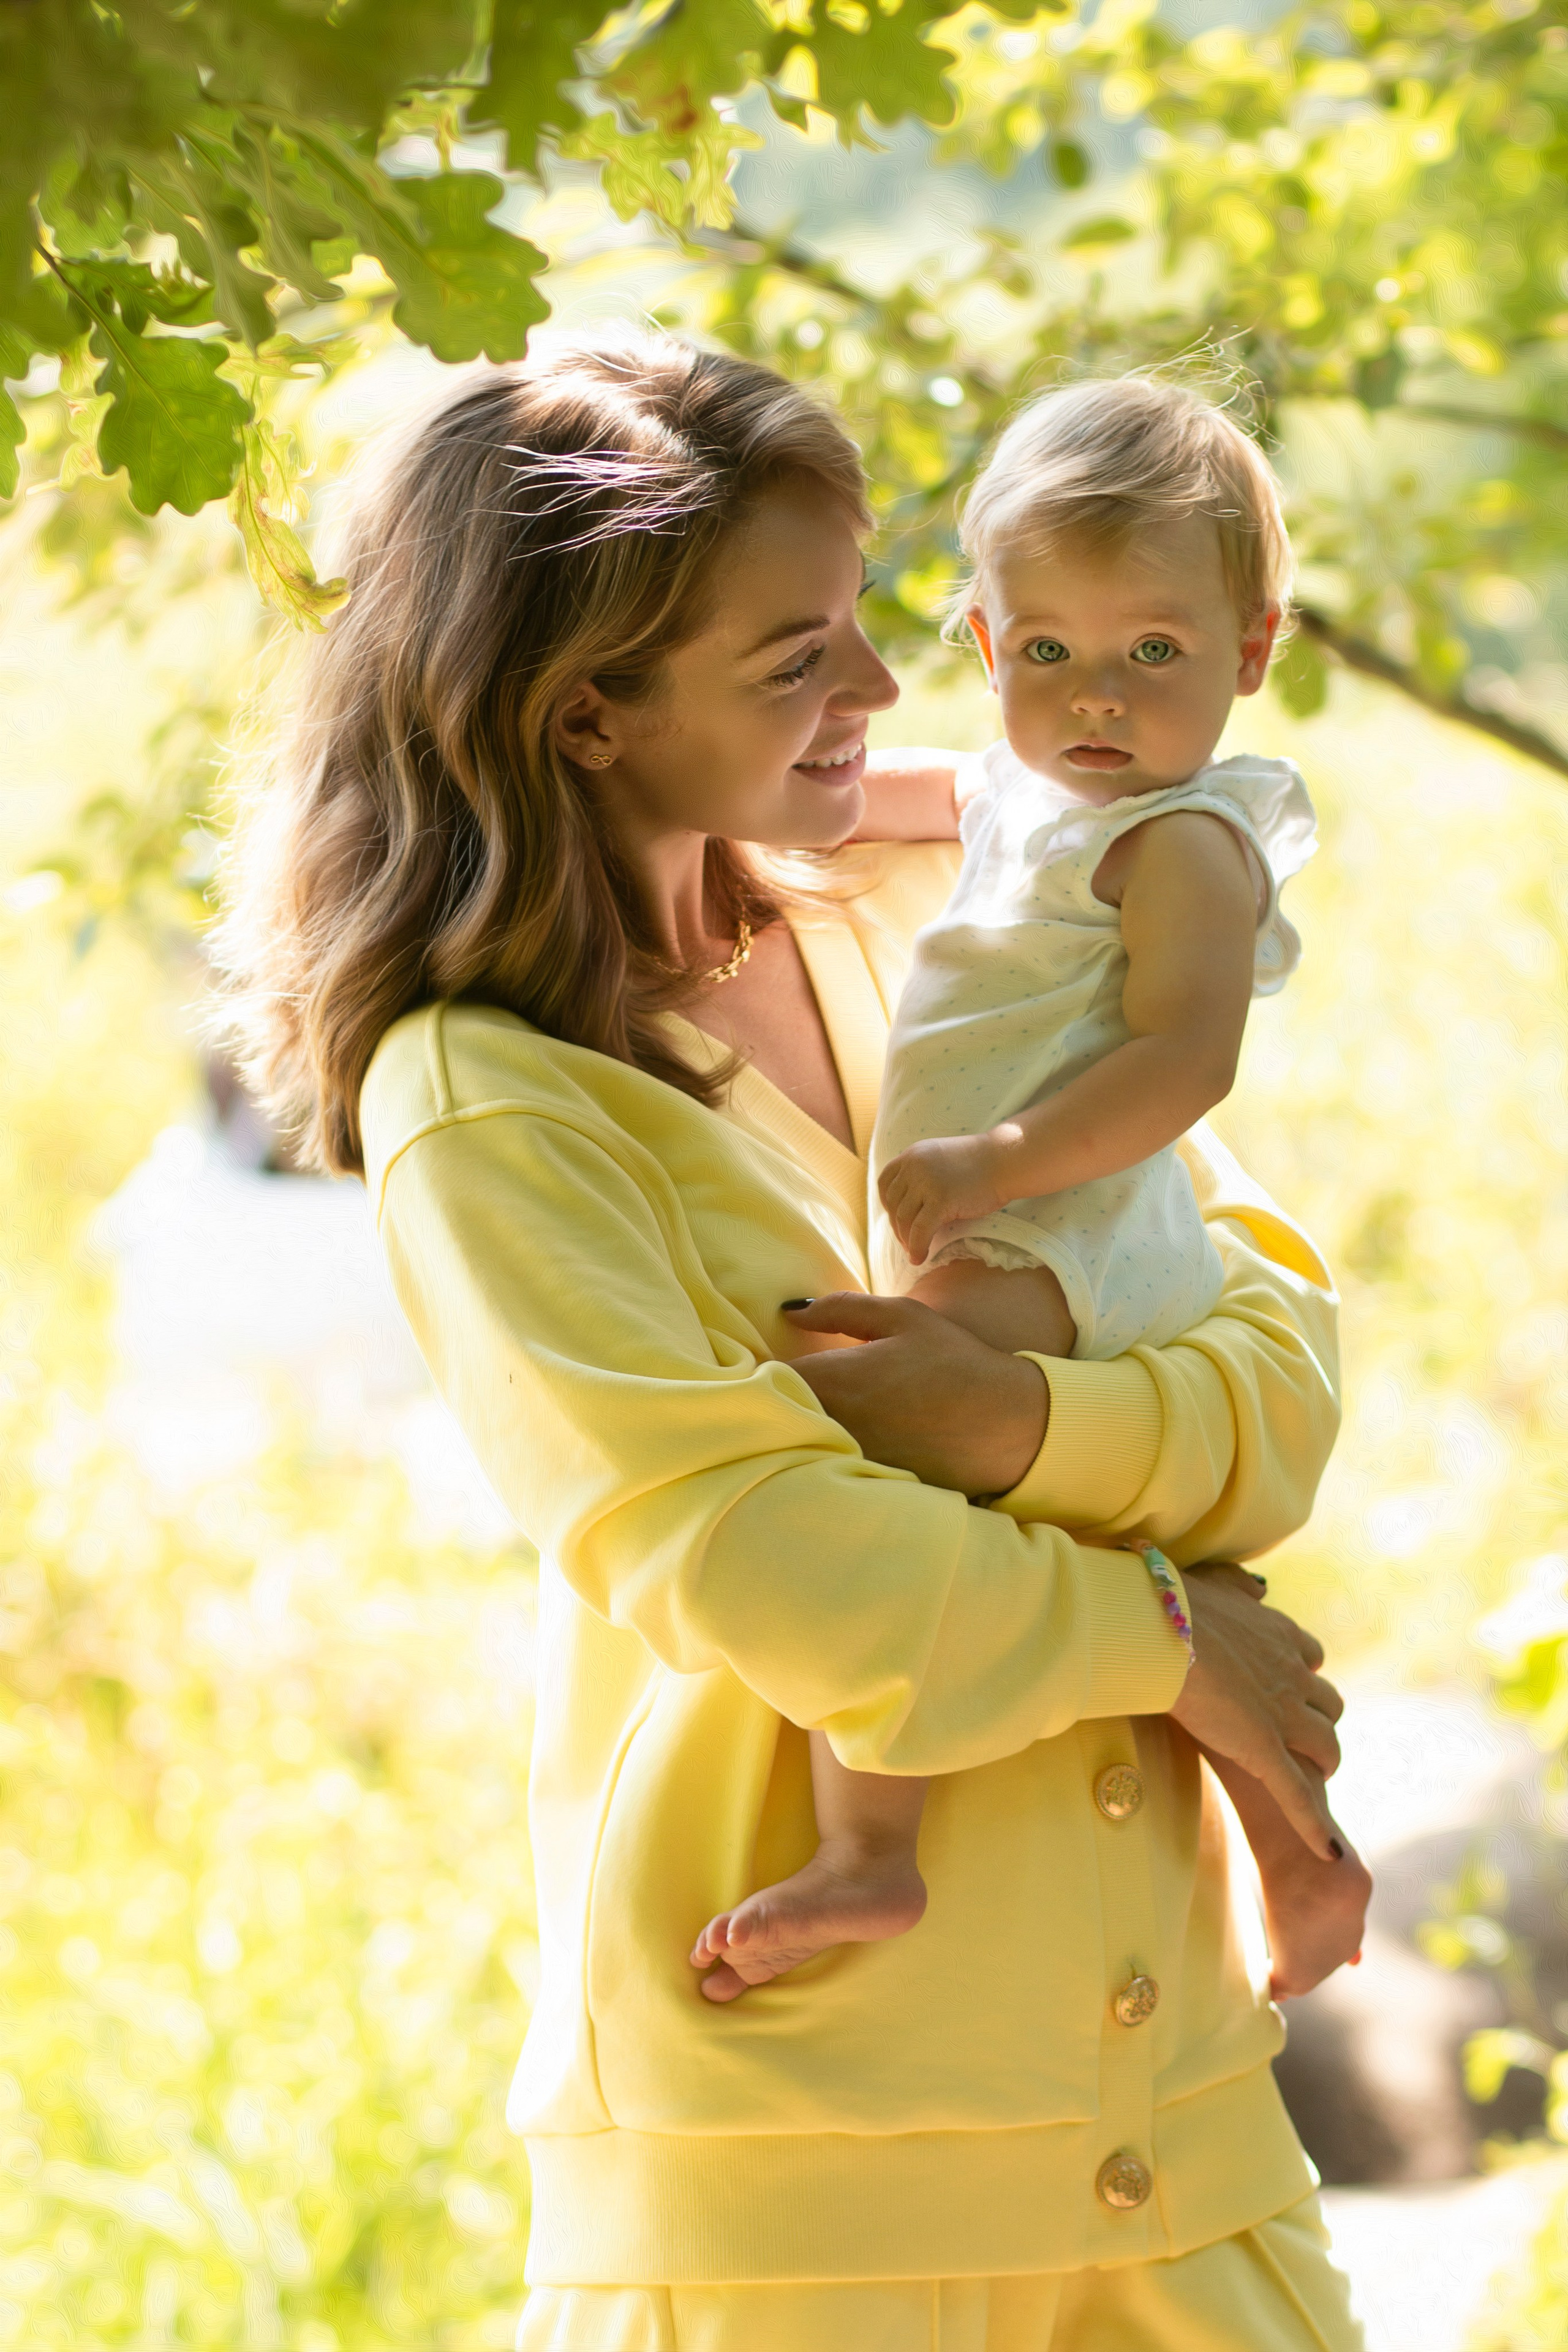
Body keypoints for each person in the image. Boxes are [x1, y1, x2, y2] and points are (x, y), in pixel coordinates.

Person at [222, 333, 1365, 2350]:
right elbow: (774, 1564)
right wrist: (1169, 1648)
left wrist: (1009, 1420)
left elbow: (1275, 1368)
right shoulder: (495, 1106)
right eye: (795, 659)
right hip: (804, 2190)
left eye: (858, 628)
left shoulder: (942, 919)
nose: (884, 691)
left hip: (1178, 2125)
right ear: (591, 713)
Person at [692, 376, 1371, 2012]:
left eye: (1156, 652)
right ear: (989, 651)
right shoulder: (1036, 793)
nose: (1100, 700)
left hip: (1067, 1229)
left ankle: (870, 1848)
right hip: (1027, 1224)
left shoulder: (1184, 840)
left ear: (1251, 650)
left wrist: (1000, 1166)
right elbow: (903, 800)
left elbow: (1185, 1057)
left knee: (874, 1438)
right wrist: (779, 828)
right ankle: (1291, 1836)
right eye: (1050, 652)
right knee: (1007, 1502)